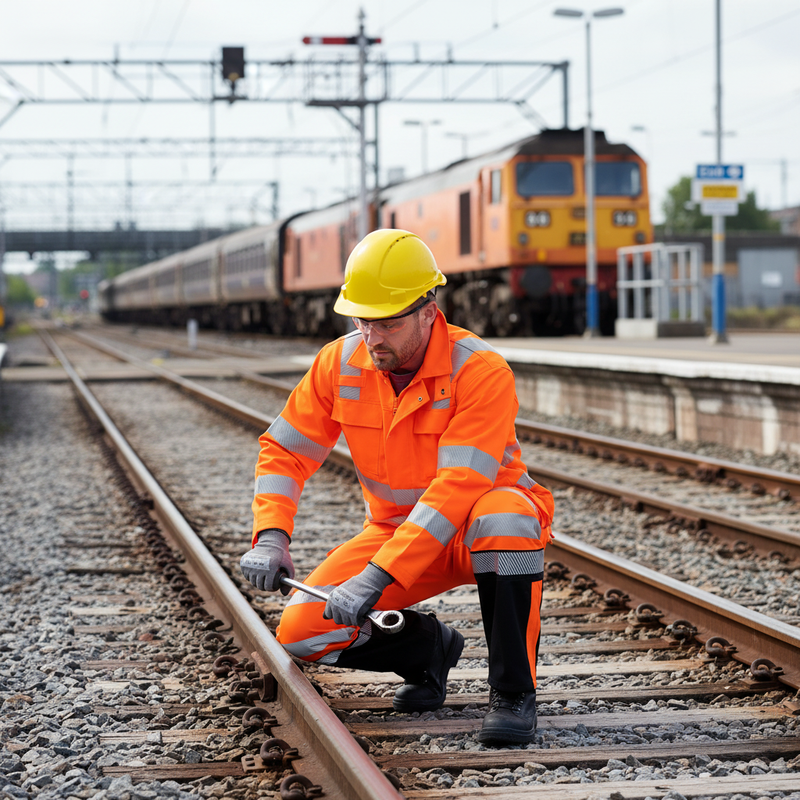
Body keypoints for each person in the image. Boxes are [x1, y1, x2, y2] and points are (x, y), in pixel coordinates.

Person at [240, 229, 554, 745]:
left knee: (507, 517)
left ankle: (513, 693)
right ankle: (427, 649)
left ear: (429, 312)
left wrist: (376, 577)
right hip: (396, 533)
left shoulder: (479, 370)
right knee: (301, 633)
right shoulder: (339, 364)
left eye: (387, 322)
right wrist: (271, 534)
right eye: (363, 320)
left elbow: (459, 486)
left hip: (475, 529)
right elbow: (286, 450)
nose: (372, 336)